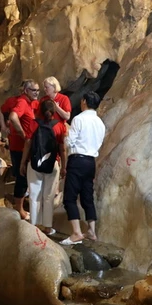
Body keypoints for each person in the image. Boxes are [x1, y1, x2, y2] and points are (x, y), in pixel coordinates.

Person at [61, 92, 106, 245]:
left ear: (85, 101)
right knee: (87, 197)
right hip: (90, 162)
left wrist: (66, 136)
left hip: (77, 160)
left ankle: (76, 233)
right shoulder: (100, 123)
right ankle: (92, 231)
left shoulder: (78, 119)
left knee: (69, 198)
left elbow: (70, 142)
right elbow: (99, 143)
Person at [20, 98, 68, 228]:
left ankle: (34, 225)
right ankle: (47, 226)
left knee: (35, 195)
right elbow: (62, 148)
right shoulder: (60, 125)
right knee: (48, 196)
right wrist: (64, 166)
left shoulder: (33, 124)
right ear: (54, 112)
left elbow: (28, 143)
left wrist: (23, 162)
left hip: (35, 164)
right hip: (53, 164)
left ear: (39, 111)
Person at [0, 80, 40, 219]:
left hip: (25, 145)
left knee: (26, 176)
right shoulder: (21, 102)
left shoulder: (31, 102)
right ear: (25, 90)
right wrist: (22, 134)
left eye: (38, 90)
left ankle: (23, 205)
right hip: (19, 146)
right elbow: (11, 115)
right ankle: (20, 209)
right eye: (34, 90)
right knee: (22, 177)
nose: (36, 92)